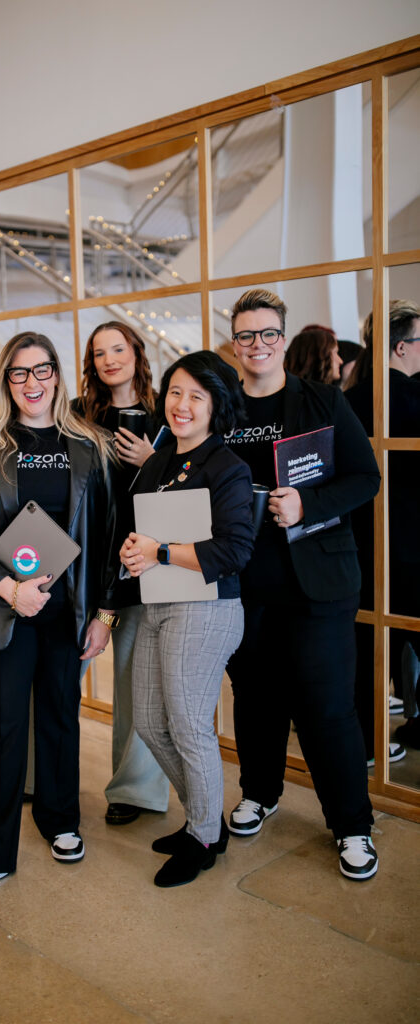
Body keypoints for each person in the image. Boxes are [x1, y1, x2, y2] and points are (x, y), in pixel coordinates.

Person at [0, 331, 117, 906]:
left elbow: (107, 536)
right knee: (2, 731)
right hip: (4, 611)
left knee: (62, 720)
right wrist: (9, 588)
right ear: (5, 380)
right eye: (19, 373)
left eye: (42, 370)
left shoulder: (89, 445)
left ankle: (61, 819)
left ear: (58, 376)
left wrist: (103, 614)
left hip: (66, 613)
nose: (32, 383)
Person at [224, 288, 381, 881]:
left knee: (327, 708)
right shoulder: (224, 408)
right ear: (234, 342)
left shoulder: (320, 401)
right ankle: (259, 793)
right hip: (244, 585)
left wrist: (307, 505)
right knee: (256, 699)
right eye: (246, 335)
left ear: (282, 340)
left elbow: (366, 477)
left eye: (267, 334)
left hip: (319, 584)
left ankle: (352, 826)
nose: (257, 345)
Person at [120, 351, 253, 888]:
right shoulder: (157, 462)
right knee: (151, 722)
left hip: (207, 607)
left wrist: (161, 552)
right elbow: (141, 536)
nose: (182, 405)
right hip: (157, 604)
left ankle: (202, 835)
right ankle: (206, 815)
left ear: (216, 406)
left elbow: (233, 551)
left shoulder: (228, 467)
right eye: (175, 392)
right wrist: (136, 552)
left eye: (196, 396)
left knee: (190, 727)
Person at [73, 321, 169, 827]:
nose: (110, 359)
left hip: (143, 563)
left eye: (118, 348)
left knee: (138, 683)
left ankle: (133, 790)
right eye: (99, 352)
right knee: (60, 673)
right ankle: (34, 775)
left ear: (135, 351)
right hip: (87, 562)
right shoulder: (77, 415)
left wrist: (154, 460)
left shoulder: (164, 415)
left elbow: (191, 481)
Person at [346, 300, 420, 755]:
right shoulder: (412, 397)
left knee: (368, 645)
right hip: (413, 544)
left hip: (363, 544)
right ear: (399, 347)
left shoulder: (349, 398)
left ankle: (368, 737)